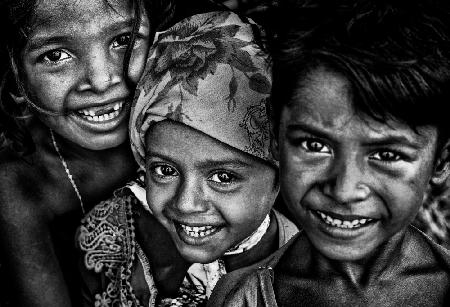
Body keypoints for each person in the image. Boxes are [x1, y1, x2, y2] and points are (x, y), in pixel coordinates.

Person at [208, 0, 450, 306]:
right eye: (314, 145)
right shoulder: (238, 298)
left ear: (440, 158)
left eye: (387, 155)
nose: (344, 191)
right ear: (275, 135)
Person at [0, 0, 222, 305]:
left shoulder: (197, 117)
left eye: (123, 41)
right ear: (15, 80)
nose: (102, 81)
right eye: (55, 55)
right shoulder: (23, 187)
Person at [77, 10, 298, 307]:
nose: (186, 203)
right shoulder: (109, 238)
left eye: (223, 177)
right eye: (164, 169)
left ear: (280, 176)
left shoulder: (304, 269)